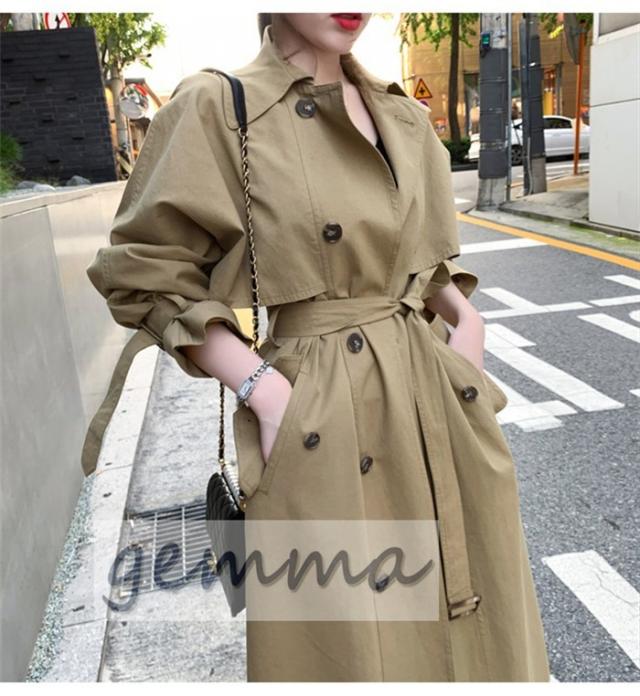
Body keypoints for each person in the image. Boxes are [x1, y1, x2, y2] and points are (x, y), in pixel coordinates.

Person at [81, 12, 551, 682]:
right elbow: (145, 271)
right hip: (318, 418)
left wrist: (467, 328)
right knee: (342, 651)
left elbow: (422, 260)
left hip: (436, 405)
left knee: (482, 633)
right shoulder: (220, 108)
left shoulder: (401, 113)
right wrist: (266, 392)